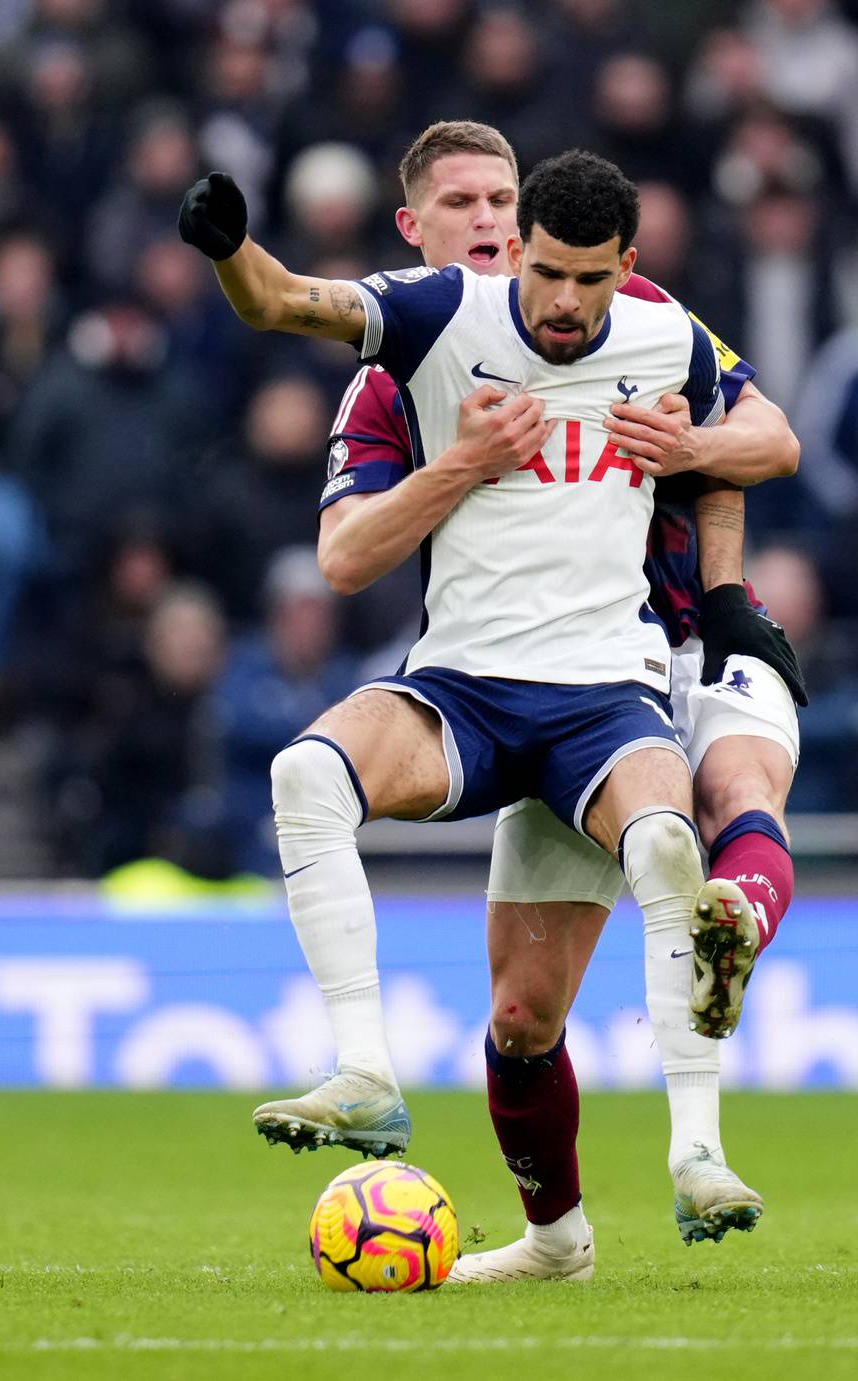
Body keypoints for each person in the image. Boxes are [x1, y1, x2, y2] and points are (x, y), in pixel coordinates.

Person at [178, 140, 799, 1280]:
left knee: (668, 847)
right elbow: (279, 302)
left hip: (611, 694)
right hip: (462, 685)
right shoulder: (428, 326)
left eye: (588, 276)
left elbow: (771, 443)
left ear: (619, 262)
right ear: (469, 239)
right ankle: (366, 1073)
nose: (563, 300)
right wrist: (228, 246)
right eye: (540, 267)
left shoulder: (665, 328)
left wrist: (696, 451)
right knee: (306, 774)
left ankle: (699, 1153)